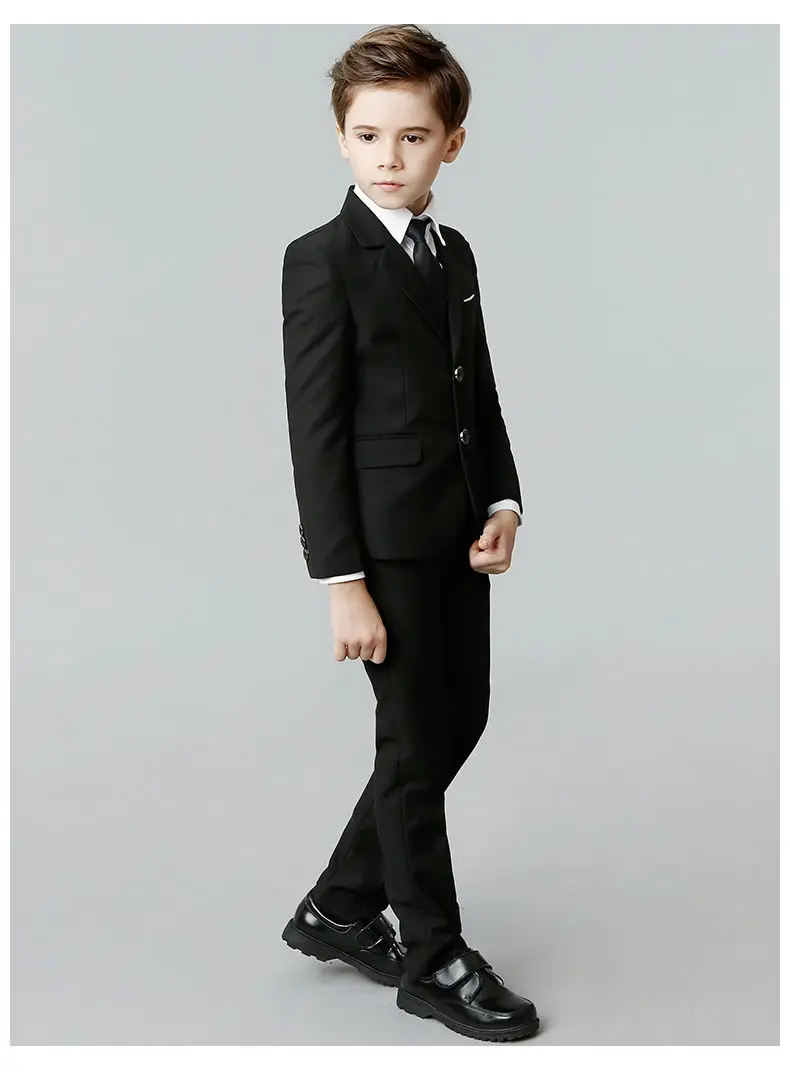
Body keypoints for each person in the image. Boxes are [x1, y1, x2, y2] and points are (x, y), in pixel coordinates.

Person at [279, 23, 540, 1043]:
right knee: (410, 741)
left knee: (456, 720)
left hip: (456, 532)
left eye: (413, 137)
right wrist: (341, 580)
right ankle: (433, 955)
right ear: (341, 137)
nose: (389, 158)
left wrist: (503, 501)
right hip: (381, 548)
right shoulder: (320, 262)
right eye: (368, 135)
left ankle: (340, 906)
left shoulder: (452, 253)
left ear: (451, 144)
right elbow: (315, 433)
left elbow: (478, 392)